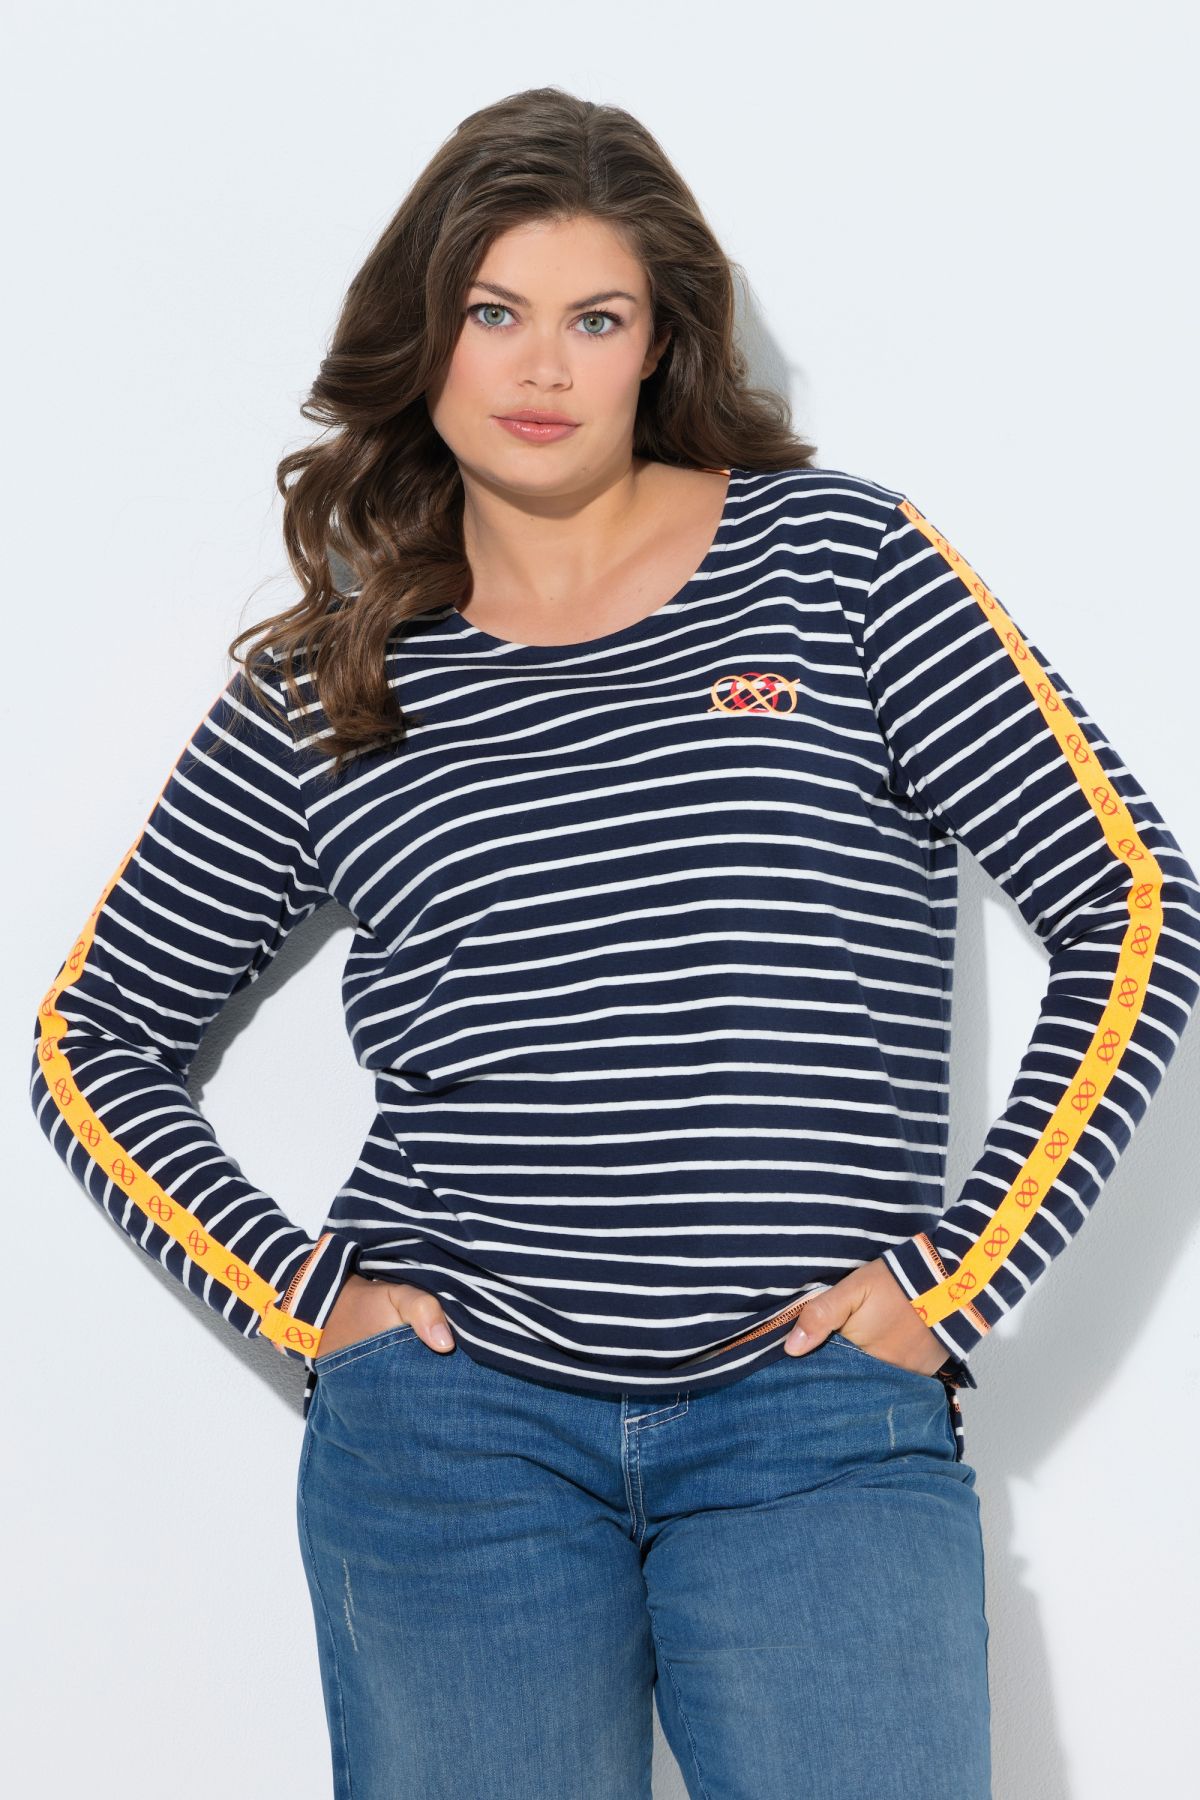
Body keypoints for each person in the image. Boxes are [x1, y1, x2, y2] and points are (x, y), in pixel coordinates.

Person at [29, 86, 1200, 1800]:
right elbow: (93, 1034)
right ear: (423, 332)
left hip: (814, 1418)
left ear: (661, 342)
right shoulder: (334, 678)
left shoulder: (841, 566)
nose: (542, 366)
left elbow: (1134, 901)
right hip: (454, 1450)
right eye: (493, 311)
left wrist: (958, 1275)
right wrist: (306, 1296)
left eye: (596, 318)